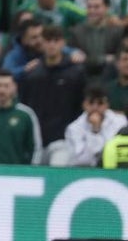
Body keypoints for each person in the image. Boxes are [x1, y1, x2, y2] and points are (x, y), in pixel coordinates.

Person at [21, 24, 88, 163]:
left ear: (63, 43)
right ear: (42, 43)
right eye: (48, 40)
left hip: (63, 139)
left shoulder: (75, 73)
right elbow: (25, 105)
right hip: (36, 140)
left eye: (56, 40)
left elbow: (81, 105)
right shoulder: (33, 74)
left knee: (56, 177)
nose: (52, 45)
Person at [65, 87, 127, 167]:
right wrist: (95, 130)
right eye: (91, 103)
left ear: (107, 105)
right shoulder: (74, 128)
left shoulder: (121, 122)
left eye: (100, 103)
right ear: (84, 104)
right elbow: (82, 160)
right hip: (86, 171)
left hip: (117, 168)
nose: (95, 107)